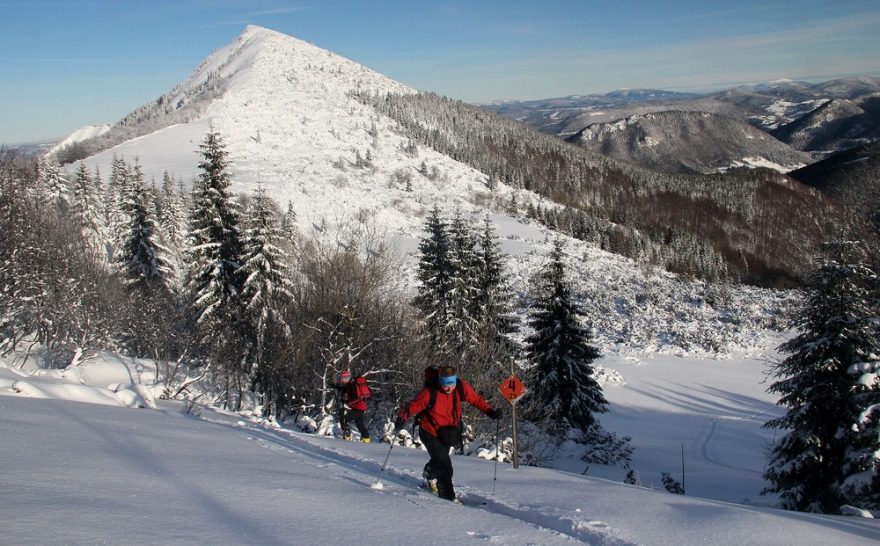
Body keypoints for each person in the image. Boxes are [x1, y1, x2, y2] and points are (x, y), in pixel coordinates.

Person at [395, 365, 500, 501]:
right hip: (429, 431)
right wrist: (402, 417)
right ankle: (447, 498)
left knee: (440, 459)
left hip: (448, 432)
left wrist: (490, 412)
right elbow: (413, 405)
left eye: (452, 385)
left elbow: (475, 399)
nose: (449, 389)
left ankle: (429, 472)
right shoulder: (429, 392)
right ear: (440, 382)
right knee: (445, 466)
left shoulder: (460, 387)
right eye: (446, 385)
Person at [337, 370, 372, 443]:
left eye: (344, 378)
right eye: (342, 379)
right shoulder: (350, 384)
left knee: (343, 420)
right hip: (359, 408)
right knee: (360, 425)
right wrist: (335, 386)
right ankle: (366, 440)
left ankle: (347, 438)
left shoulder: (352, 385)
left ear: (348, 378)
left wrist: (347, 401)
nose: (343, 380)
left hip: (358, 408)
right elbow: (344, 389)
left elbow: (356, 398)